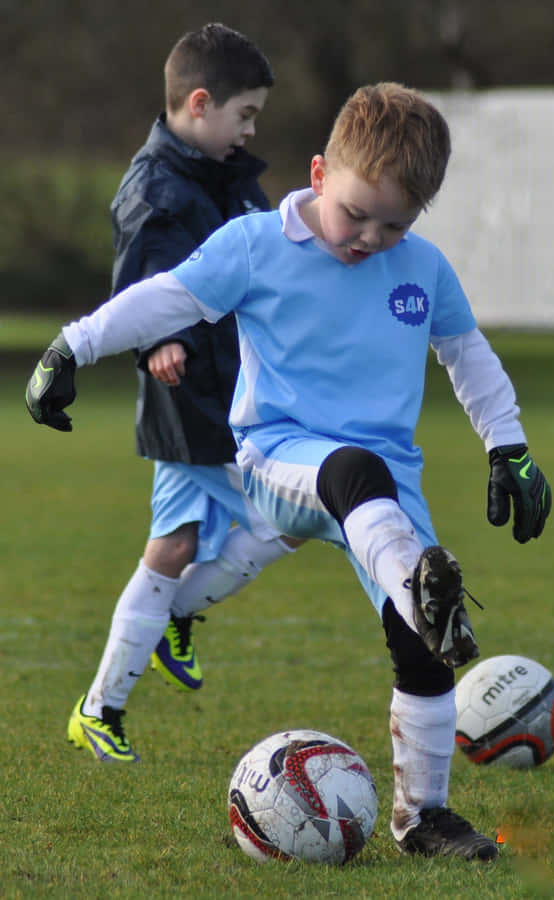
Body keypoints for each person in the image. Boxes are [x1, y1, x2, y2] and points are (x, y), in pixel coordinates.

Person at [27, 82, 552, 861]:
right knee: (356, 479)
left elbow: (467, 355)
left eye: (395, 223)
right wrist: (73, 346)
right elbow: (163, 299)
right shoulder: (254, 245)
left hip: (383, 483)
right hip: (281, 456)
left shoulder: (424, 269)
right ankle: (423, 589)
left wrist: (508, 447)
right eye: (355, 213)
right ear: (316, 174)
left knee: (421, 651)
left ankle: (423, 817)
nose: (370, 237)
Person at [55, 23, 304, 764]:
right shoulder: (156, 189)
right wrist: (159, 339)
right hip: (190, 397)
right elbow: (145, 282)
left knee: (179, 547)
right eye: (246, 114)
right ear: (200, 104)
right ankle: (105, 701)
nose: (252, 128)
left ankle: (106, 701)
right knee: (296, 516)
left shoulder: (226, 178)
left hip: (227, 394)